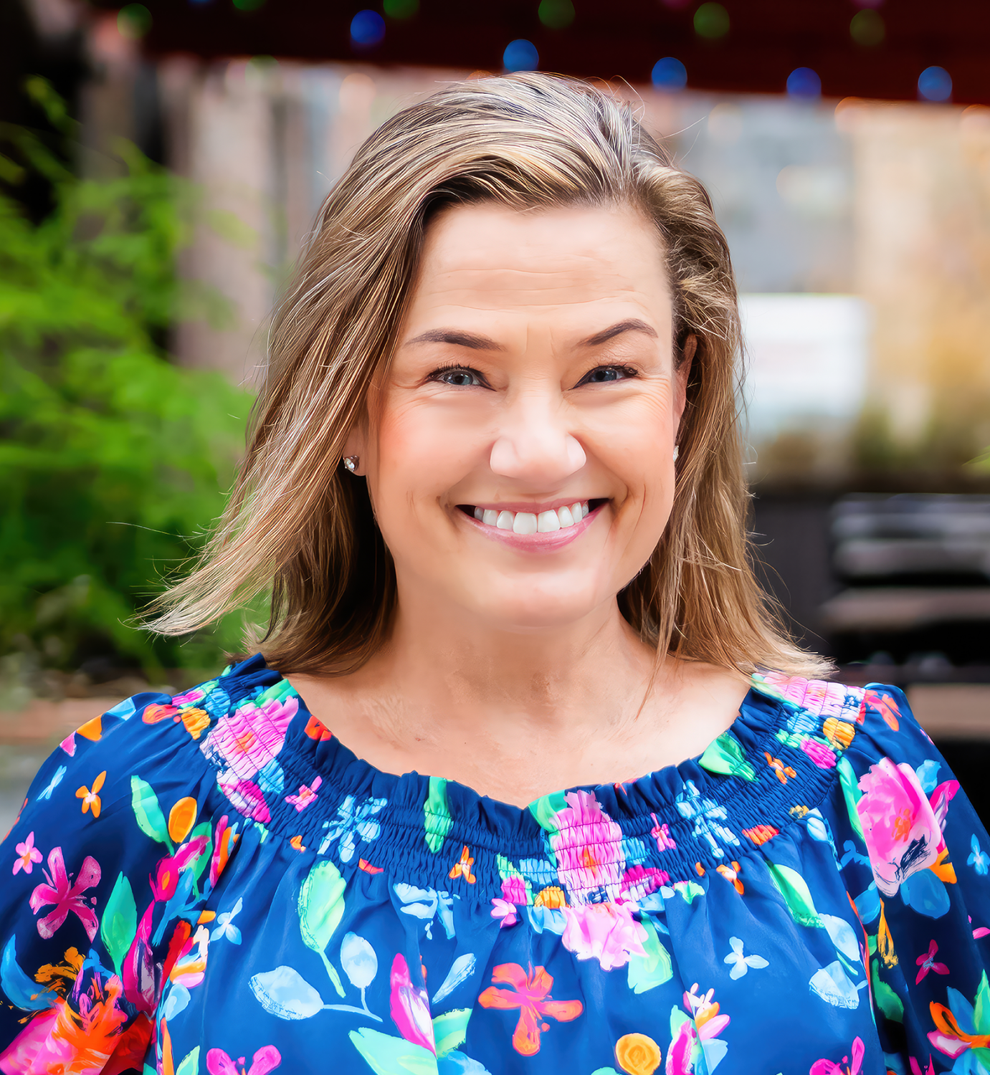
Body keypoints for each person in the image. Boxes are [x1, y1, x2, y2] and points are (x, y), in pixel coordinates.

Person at [1, 73, 988, 1075]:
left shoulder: (866, 796)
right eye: (458, 374)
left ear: (681, 397)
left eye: (607, 371)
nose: (537, 451)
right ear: (349, 409)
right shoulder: (145, 806)